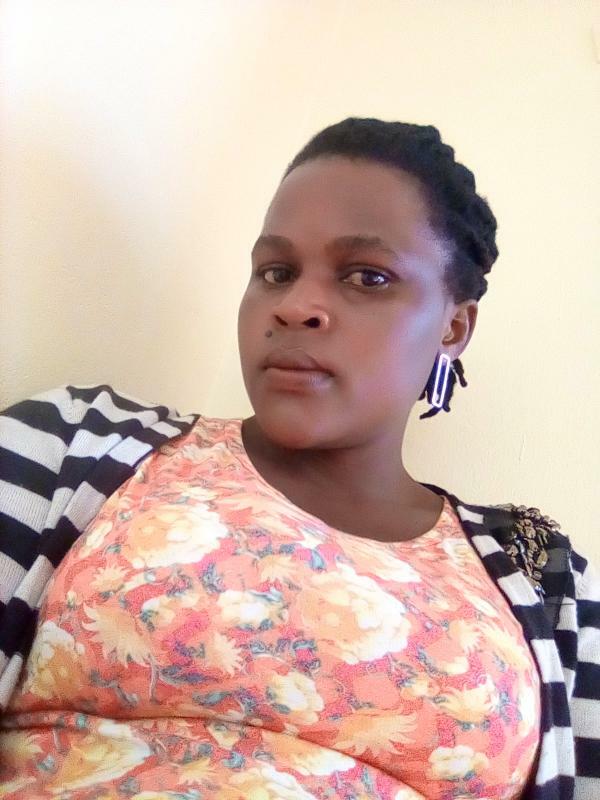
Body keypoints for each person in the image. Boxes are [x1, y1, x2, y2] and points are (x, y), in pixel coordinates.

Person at [0, 117, 598, 800]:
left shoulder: (542, 578)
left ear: (453, 327)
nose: (295, 305)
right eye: (275, 272)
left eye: (367, 277)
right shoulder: (80, 445)